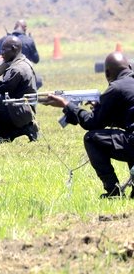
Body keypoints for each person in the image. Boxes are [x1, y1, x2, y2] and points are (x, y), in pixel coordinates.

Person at [43, 51, 134, 198]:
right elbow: (127, 118)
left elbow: (91, 124)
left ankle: (113, 191)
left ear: (107, 73)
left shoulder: (116, 88)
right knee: (126, 137)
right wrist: (102, 108)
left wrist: (67, 105)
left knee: (91, 139)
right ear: (129, 66)